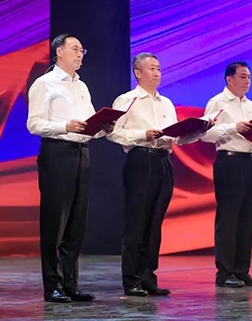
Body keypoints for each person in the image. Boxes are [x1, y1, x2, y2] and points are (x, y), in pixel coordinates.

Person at [107, 53, 213, 297]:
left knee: (155, 222)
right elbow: (112, 133)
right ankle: (132, 279)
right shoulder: (127, 100)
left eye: (158, 68)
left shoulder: (166, 103)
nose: (157, 73)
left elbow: (178, 138)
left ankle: (148, 277)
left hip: (163, 159)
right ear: (138, 73)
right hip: (140, 159)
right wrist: (142, 135)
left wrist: (198, 131)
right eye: (151, 68)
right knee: (137, 221)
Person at [27, 33, 113, 303]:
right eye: (75, 49)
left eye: (82, 50)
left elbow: (87, 125)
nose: (79, 54)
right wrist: (65, 126)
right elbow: (34, 124)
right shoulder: (44, 83)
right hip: (57, 154)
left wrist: (103, 128)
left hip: (81, 153)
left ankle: (70, 283)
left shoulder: (82, 86)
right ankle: (52, 284)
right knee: (55, 222)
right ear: (59, 52)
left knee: (77, 222)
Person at [201, 61, 252, 288]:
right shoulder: (218, 102)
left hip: (250, 161)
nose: (247, 81)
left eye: (249, 77)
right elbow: (205, 134)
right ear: (229, 79)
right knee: (229, 217)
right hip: (229, 161)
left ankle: (242, 270)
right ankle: (225, 272)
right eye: (243, 76)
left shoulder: (251, 105)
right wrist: (233, 127)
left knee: (247, 217)